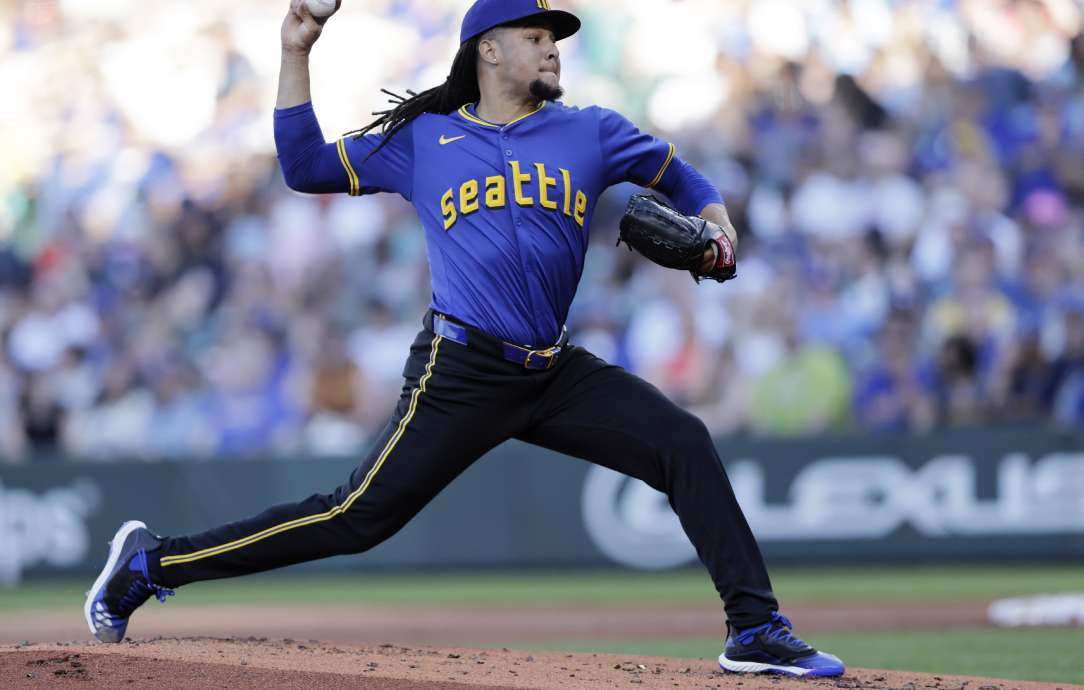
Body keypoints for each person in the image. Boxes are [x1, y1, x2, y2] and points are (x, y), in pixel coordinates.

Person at [84, 0, 844, 677]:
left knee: (683, 442)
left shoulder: (591, 131)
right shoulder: (426, 140)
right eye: (537, 34)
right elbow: (304, 167)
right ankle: (154, 562)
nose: (553, 49)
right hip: (462, 369)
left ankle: (754, 630)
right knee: (354, 518)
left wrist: (717, 225)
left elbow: (685, 179)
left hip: (555, 371)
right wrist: (296, 51)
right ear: (488, 49)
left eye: (556, 38)